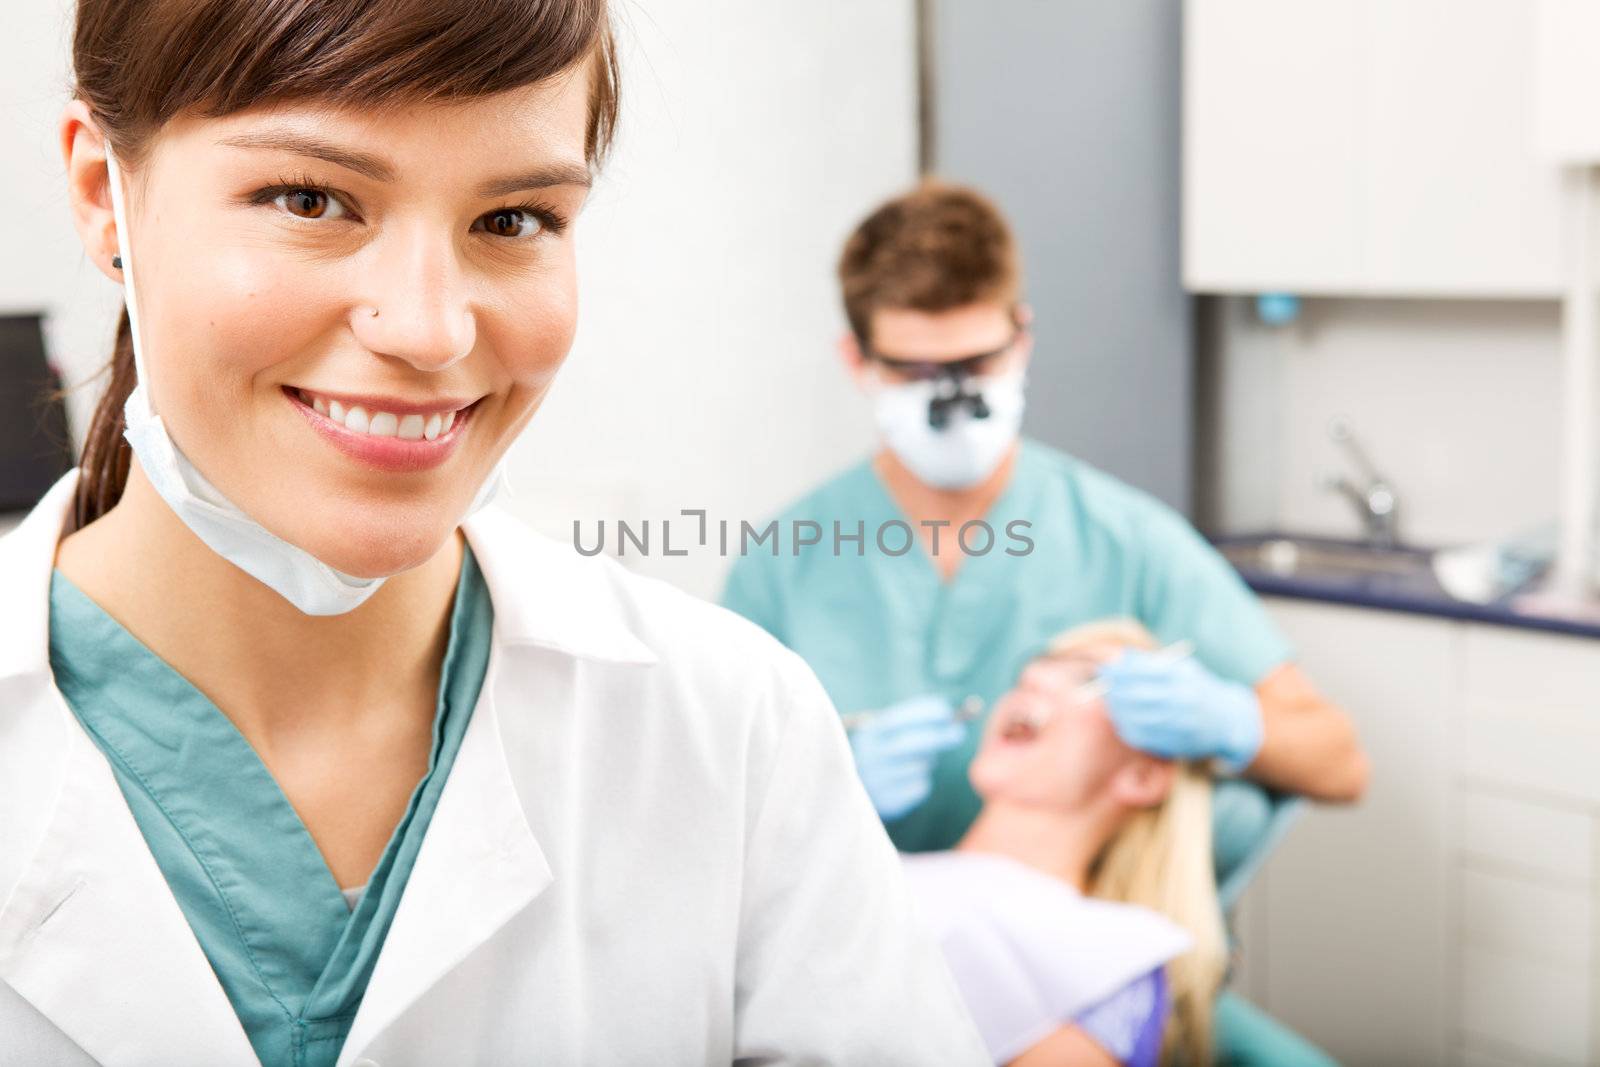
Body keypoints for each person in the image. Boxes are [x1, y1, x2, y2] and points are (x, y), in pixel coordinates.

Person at [0, 4, 991, 1064]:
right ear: (105, 192)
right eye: (311, 198)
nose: (430, 329)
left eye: (513, 219)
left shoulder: (729, 729)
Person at [721, 181, 1369, 856]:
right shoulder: (784, 562)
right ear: (857, 360)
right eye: (917, 371)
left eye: (977, 362)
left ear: (1022, 339)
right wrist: (818, 790)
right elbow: (705, 804)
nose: (954, 397)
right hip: (862, 947)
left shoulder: (1126, 540)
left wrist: (1236, 723)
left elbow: (1341, 763)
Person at [902, 620, 1226, 1067]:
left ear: (1143, 776)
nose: (1033, 678)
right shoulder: (879, 865)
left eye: (1087, 679)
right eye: (1029, 671)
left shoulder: (1109, 957)